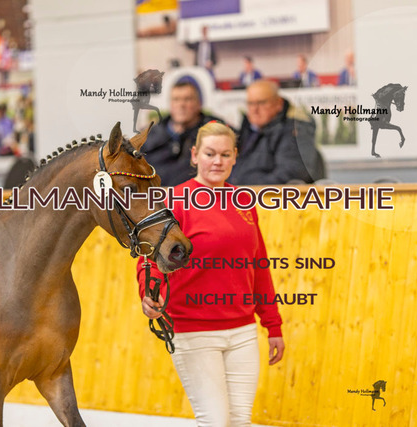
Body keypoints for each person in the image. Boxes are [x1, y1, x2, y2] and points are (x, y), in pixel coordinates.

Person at [137, 121, 285, 426]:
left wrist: (273, 326)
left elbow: (259, 266)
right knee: (215, 421)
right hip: (193, 329)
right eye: (210, 153)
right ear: (194, 155)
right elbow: (149, 260)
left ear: (235, 157)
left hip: (243, 331)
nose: (217, 161)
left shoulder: (244, 202)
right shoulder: (174, 201)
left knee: (240, 421)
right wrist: (148, 293)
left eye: (225, 154)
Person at [228, 80, 325, 185]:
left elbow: (290, 175)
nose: (255, 109)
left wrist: (243, 186)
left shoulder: (295, 130)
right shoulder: (249, 130)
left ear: (279, 103)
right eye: (250, 103)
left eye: (261, 103)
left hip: (268, 194)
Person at [140, 79, 225, 187]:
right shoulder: (151, 136)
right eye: (176, 99)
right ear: (170, 104)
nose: (181, 104)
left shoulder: (215, 132)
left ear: (199, 103)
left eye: (187, 99)